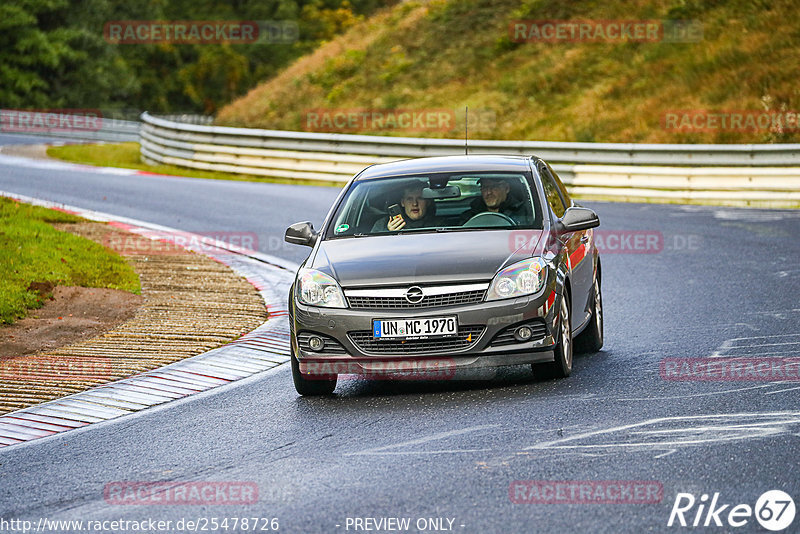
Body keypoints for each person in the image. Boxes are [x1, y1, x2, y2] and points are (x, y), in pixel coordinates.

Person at [372, 183, 438, 232]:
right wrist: (388, 234)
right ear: (402, 202)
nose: (415, 203)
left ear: (428, 202)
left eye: (420, 198)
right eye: (409, 199)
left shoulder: (440, 225)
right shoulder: (383, 224)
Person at [460, 176, 527, 224]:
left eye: (494, 187)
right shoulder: (469, 217)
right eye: (485, 187)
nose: (488, 192)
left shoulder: (524, 214)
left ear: (506, 188)